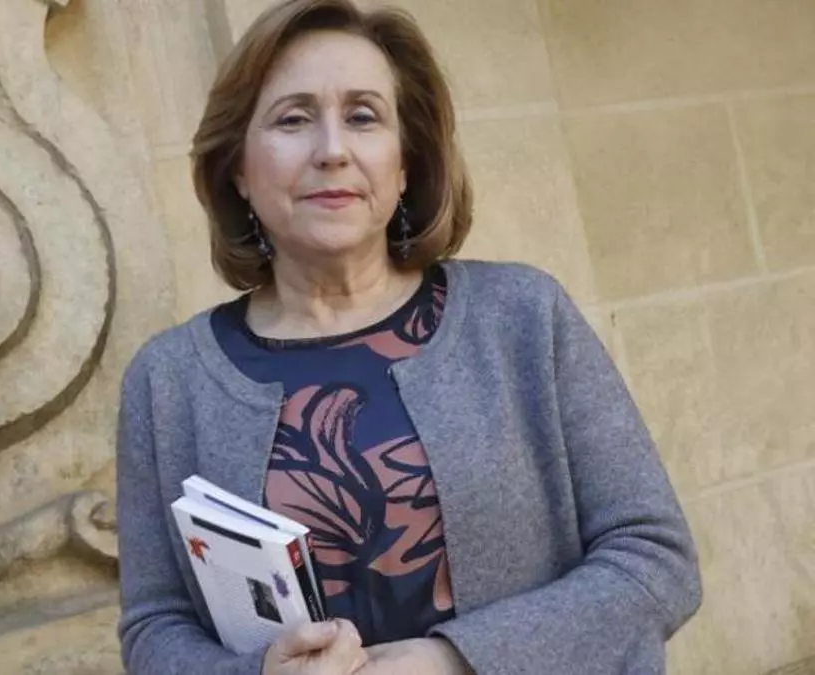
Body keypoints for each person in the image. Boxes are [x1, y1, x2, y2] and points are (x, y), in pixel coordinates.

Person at [114, 0, 702, 673]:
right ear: (239, 169)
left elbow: (656, 560)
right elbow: (154, 629)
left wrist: (453, 660)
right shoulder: (168, 381)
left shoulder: (523, 317)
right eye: (293, 119)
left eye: (363, 117)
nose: (332, 150)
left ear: (403, 164)